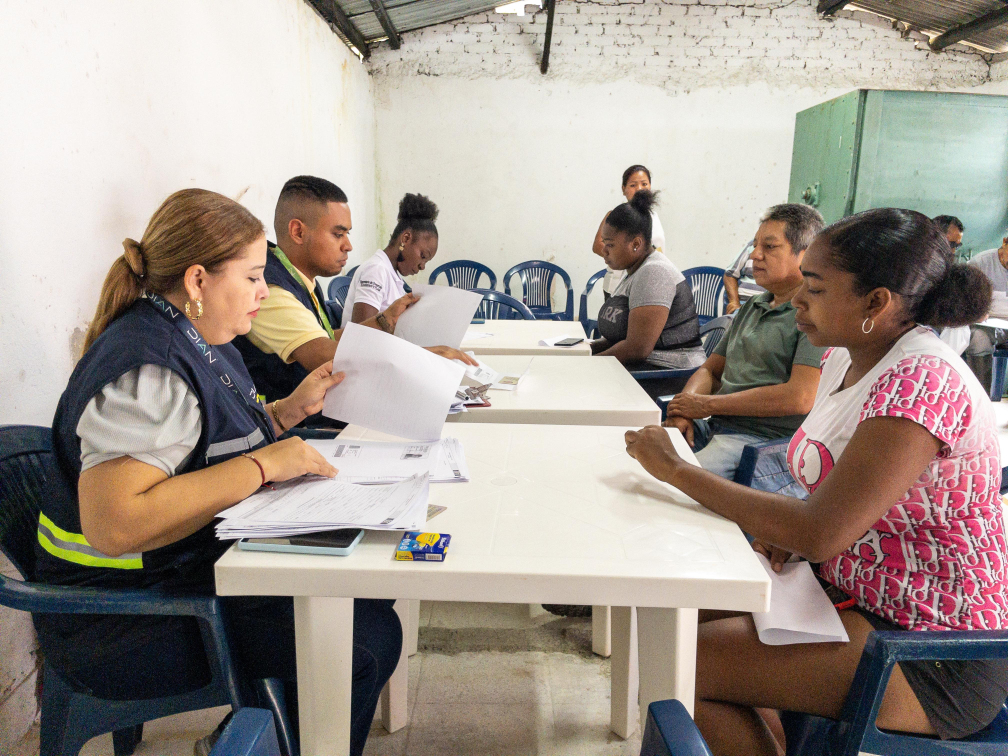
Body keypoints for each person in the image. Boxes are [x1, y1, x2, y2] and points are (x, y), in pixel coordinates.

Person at [34, 189, 402, 756]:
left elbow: (204, 445)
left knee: (364, 608)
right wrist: (262, 464)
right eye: (254, 277)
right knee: (357, 642)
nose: (265, 291)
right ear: (199, 280)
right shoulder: (150, 374)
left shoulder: (200, 333)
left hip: (180, 574)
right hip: (123, 618)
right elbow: (114, 524)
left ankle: (277, 737)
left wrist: (287, 412)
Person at [626, 208, 1007, 754]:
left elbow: (820, 531)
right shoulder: (847, 359)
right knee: (671, 623)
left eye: (817, 287)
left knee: (685, 665)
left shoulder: (921, 384)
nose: (799, 299)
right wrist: (792, 533)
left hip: (930, 650)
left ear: (877, 302)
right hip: (850, 593)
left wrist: (677, 470)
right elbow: (833, 506)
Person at [234, 178, 472, 427]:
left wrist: (384, 320)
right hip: (304, 427)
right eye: (338, 234)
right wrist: (422, 356)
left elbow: (324, 337)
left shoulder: (300, 280)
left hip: (328, 408)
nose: (348, 246)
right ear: (298, 232)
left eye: (347, 234)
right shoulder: (272, 290)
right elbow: (326, 354)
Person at [663, 204, 826, 494]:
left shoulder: (813, 315)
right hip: (716, 426)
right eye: (755, 245)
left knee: (668, 486)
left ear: (806, 255)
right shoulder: (754, 305)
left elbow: (799, 397)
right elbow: (710, 370)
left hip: (758, 443)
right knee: (642, 452)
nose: (754, 255)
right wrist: (685, 409)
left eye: (769, 246)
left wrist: (707, 406)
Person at [591, 189, 705, 381]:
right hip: (647, 368)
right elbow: (619, 340)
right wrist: (584, 350)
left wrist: (590, 364)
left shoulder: (654, 272)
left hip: (669, 375)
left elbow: (637, 349)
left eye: (610, 244)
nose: (604, 251)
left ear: (636, 243)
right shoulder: (634, 271)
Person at [344, 193, 439, 325]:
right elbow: (361, 332)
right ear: (405, 238)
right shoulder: (376, 270)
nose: (422, 266)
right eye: (423, 256)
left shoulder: (393, 275)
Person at [597, 164, 667, 296]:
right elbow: (598, 245)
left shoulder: (654, 216)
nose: (639, 189)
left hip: (648, 282)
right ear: (623, 189)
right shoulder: (616, 215)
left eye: (644, 184)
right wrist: (624, 256)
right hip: (618, 286)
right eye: (633, 185)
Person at [964, 233, 1008, 392]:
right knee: (977, 339)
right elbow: (964, 300)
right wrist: (978, 311)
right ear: (1004, 243)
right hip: (986, 324)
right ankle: (981, 397)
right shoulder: (980, 263)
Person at [932, 215, 969, 355]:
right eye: (952, 244)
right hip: (915, 318)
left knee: (959, 327)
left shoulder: (947, 264)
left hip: (937, 317)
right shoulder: (917, 260)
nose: (954, 251)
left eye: (957, 246)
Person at [723, 239, 756, 315]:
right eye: (756, 246)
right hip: (743, 306)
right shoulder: (751, 245)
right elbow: (730, 274)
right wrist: (734, 302)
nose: (755, 255)